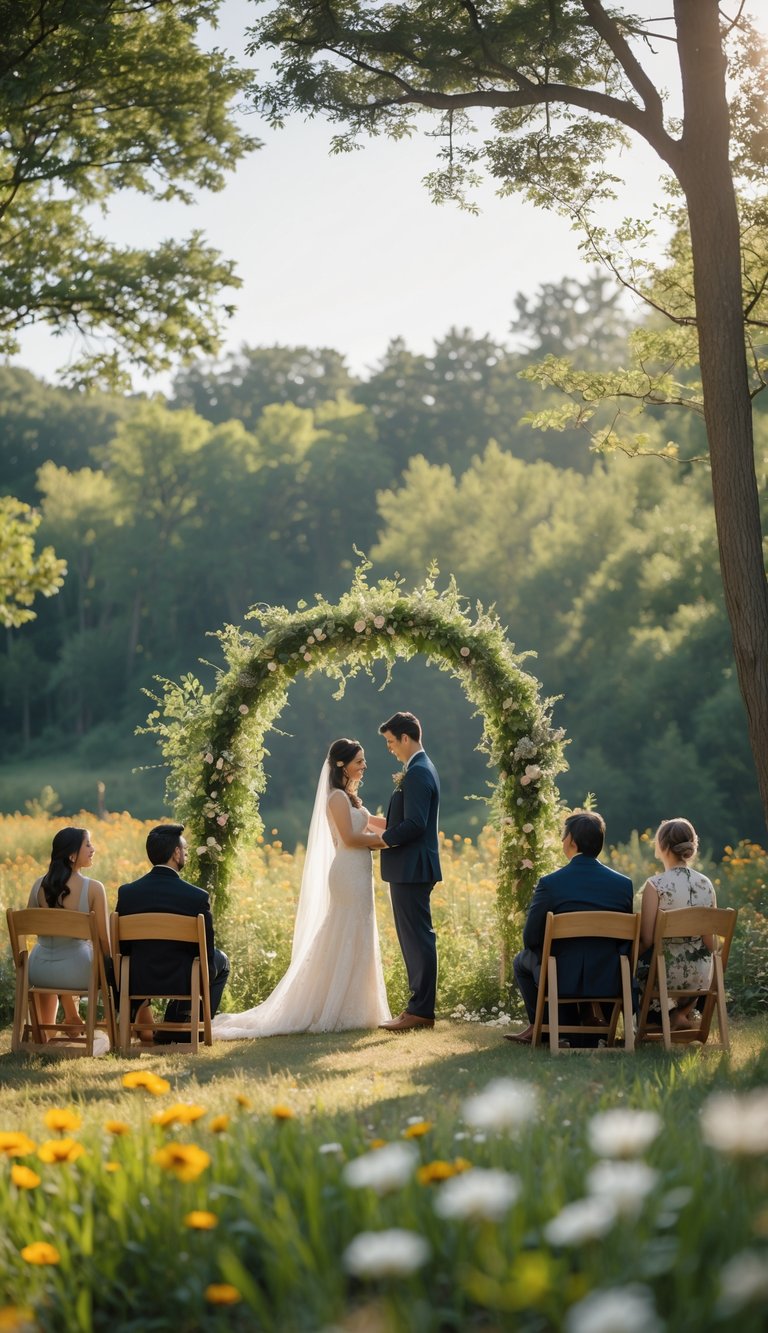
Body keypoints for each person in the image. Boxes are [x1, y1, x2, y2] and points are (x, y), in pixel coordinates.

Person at [212, 739, 391, 1039]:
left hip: (359, 873)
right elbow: (349, 838)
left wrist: (407, 827)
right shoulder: (336, 798)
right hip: (348, 873)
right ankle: (332, 1007)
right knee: (345, 932)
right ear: (341, 765)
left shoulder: (350, 799)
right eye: (359, 761)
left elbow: (375, 822)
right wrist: (387, 841)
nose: (364, 766)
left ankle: (358, 1006)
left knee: (357, 933)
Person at [507, 809, 634, 1045]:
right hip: (609, 976)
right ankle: (590, 1023)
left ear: (572, 842)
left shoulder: (551, 883)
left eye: (563, 836)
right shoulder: (623, 885)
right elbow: (624, 941)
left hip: (562, 977)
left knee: (522, 959)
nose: (562, 840)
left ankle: (544, 1026)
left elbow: (530, 937)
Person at [116, 824, 230, 1044]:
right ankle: (184, 1026)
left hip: (137, 978)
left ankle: (170, 1023)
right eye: (184, 848)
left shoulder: (128, 893)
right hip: (183, 979)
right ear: (176, 853)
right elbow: (205, 954)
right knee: (220, 961)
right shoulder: (196, 897)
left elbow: (123, 948)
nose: (186, 852)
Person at [375, 711, 442, 1032]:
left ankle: (421, 1010)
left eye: (391, 741)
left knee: (418, 939)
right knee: (414, 938)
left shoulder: (417, 772)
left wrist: (382, 841)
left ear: (405, 737)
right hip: (411, 868)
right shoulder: (418, 768)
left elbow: (415, 824)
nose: (389, 748)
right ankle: (418, 1007)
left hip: (412, 869)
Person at [27, 826, 111, 1036]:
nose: (93, 849)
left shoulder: (38, 885)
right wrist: (114, 966)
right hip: (77, 972)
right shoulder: (94, 888)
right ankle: (78, 1020)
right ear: (72, 855)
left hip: (38, 970)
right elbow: (104, 940)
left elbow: (29, 924)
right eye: (88, 844)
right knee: (87, 956)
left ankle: (45, 1033)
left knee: (55, 957)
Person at [638, 816, 716, 1031]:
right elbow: (710, 942)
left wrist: (629, 957)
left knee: (637, 963)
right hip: (701, 978)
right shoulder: (706, 884)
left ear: (661, 846)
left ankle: (654, 1021)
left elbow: (646, 939)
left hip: (666, 976)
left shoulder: (655, 885)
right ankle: (681, 1014)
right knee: (699, 960)